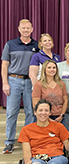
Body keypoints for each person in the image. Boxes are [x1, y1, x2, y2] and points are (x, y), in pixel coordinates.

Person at [2, 19, 38, 154]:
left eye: (28, 28)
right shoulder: (10, 44)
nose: (26, 30)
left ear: (32, 29)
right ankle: (9, 142)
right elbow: (4, 65)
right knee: (11, 112)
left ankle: (26, 139)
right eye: (23, 28)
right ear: (19, 29)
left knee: (30, 112)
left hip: (30, 82)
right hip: (14, 80)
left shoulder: (36, 45)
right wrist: (5, 83)